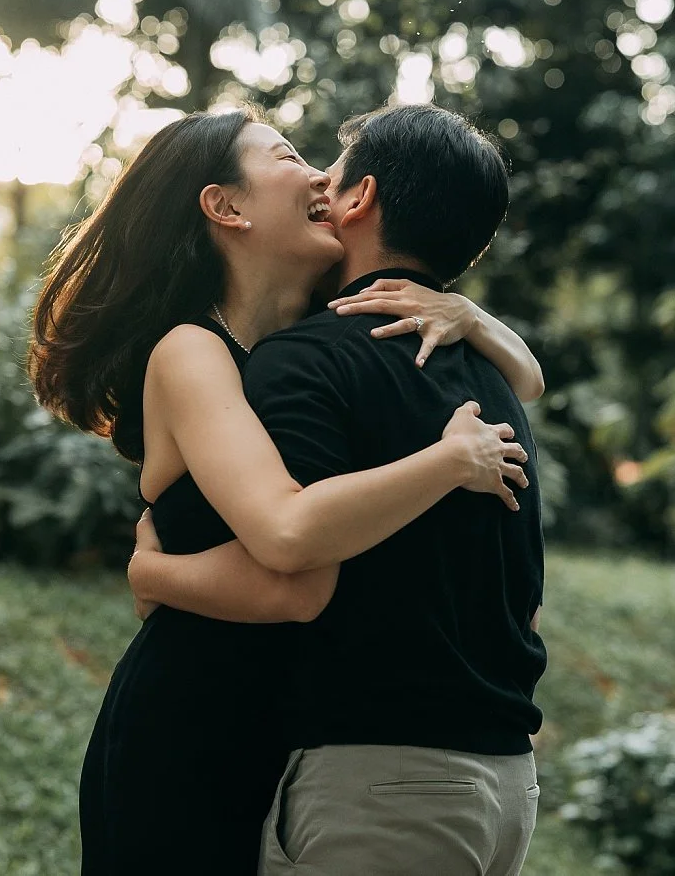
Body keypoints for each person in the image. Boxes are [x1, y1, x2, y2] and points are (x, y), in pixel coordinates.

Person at [27, 106, 542, 876]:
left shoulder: (301, 348)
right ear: (225, 206)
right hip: (193, 726)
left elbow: (528, 381)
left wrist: (468, 314)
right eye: (288, 155)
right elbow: (292, 569)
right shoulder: (193, 351)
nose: (314, 177)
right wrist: (149, 572)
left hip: (282, 734)